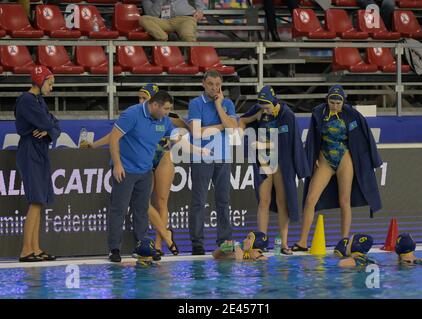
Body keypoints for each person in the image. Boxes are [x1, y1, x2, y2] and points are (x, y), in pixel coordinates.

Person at [292, 85, 382, 252]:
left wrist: (368, 161)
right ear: (327, 100)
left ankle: (344, 241)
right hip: (325, 158)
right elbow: (312, 137)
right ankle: (303, 241)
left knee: (344, 201)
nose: (334, 105)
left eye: (337, 102)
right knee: (311, 199)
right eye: (331, 102)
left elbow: (364, 137)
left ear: (343, 102)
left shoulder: (352, 114)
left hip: (344, 158)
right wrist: (312, 158)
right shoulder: (319, 113)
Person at [107, 90, 178, 263]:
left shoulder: (163, 120)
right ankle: (114, 249)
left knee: (141, 212)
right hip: (126, 170)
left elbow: (173, 133)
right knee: (119, 209)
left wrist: (177, 138)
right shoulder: (132, 114)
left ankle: (142, 247)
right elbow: (114, 138)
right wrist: (117, 164)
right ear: (155, 105)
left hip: (145, 172)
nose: (168, 113)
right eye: (166, 109)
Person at [239, 86, 310, 255]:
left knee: (281, 203)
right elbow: (242, 121)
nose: (265, 111)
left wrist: (300, 169)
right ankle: (261, 242)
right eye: (262, 107)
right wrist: (246, 135)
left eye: (267, 107)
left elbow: (292, 144)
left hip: (282, 162)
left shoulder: (288, 116)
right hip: (264, 161)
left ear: (274, 102)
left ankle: (283, 244)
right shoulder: (259, 110)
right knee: (263, 202)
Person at [188, 69, 238, 255]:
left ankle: (224, 241)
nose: (214, 88)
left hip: (223, 157)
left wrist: (219, 106)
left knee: (224, 202)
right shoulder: (196, 103)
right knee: (198, 202)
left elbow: (233, 129)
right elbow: (196, 133)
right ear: (203, 84)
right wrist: (222, 125)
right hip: (201, 157)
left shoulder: (227, 103)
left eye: (218, 85)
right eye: (211, 84)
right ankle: (197, 243)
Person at [15, 66, 61, 262]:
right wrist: (49, 127)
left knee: (40, 201)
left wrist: (49, 131)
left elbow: (55, 125)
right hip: (30, 149)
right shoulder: (26, 100)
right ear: (39, 81)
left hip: (40, 149)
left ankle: (35, 247)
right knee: (35, 200)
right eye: (49, 84)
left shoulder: (38, 100)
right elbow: (46, 121)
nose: (51, 88)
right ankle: (26, 250)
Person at [139, 0, 205, 42]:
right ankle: (162, 38)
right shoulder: (147, 1)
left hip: (185, 18)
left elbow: (199, 1)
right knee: (143, 19)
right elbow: (153, 15)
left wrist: (200, 9)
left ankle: (196, 59)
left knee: (188, 36)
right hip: (166, 21)